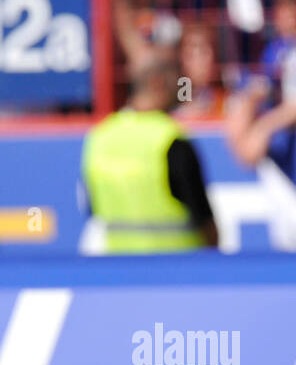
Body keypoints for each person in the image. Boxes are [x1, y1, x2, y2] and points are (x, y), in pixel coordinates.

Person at [80, 54, 218, 253]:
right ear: (158, 82)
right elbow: (204, 221)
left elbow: (92, 208)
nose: (182, 90)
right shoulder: (171, 139)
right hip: (179, 272)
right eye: (178, 82)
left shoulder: (99, 137)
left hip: (119, 271)